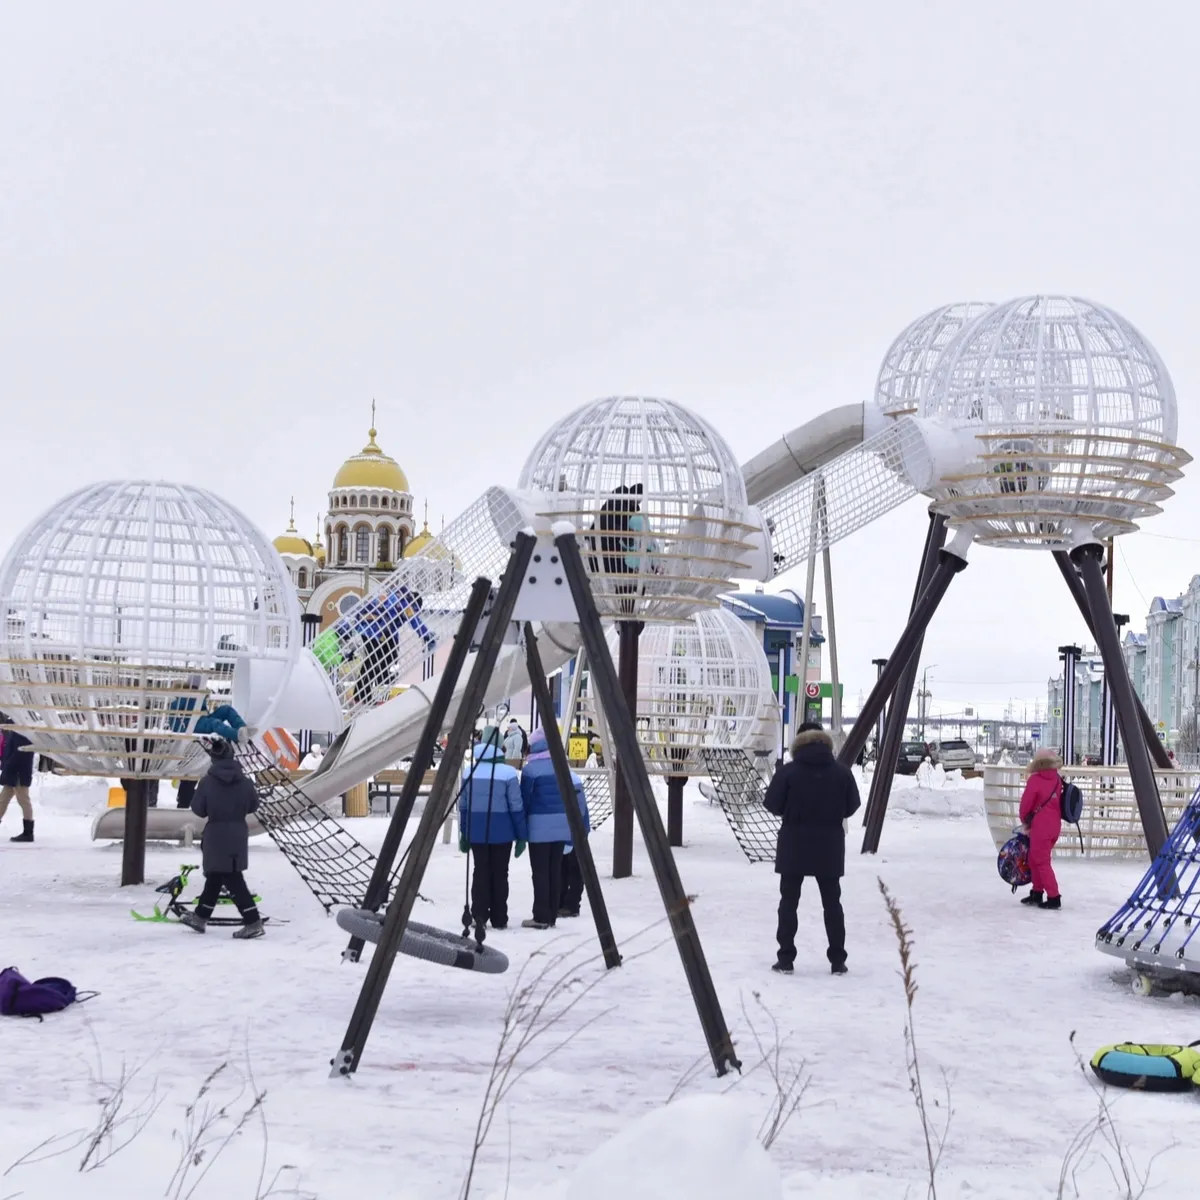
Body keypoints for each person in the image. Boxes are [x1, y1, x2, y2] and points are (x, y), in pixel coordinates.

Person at [764, 722, 860, 975]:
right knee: (832, 903)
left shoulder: (788, 772)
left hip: (793, 844)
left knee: (788, 902)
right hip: (829, 846)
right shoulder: (841, 772)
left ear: (799, 742)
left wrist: (792, 812)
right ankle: (838, 960)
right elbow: (852, 806)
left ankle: (785, 958)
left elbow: (771, 803)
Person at [179, 737, 265, 939]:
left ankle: (253, 922)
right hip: (238, 831)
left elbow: (198, 809)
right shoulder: (245, 781)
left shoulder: (208, 782)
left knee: (232, 879)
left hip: (216, 833)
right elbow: (254, 805)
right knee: (217, 876)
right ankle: (200, 917)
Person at [458, 729, 526, 932]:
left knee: (480, 871)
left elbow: (464, 805)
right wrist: (521, 835)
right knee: (500, 873)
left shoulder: (469, 771)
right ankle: (499, 916)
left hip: (477, 832)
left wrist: (464, 833)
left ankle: (479, 914)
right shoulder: (508, 773)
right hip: (503, 833)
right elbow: (516, 806)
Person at [520, 728, 586, 929]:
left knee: (540, 872)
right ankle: (552, 913)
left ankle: (540, 915)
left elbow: (525, 799)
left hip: (538, 829)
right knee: (555, 869)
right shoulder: (562, 768)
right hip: (561, 826)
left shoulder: (531, 770)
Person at [1018, 748, 1064, 910]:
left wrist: (1025, 820)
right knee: (1034, 858)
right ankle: (1037, 892)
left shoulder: (1035, 780)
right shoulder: (1057, 779)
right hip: (1054, 826)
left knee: (1042, 862)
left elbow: (1026, 805)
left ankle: (1054, 897)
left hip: (1040, 827)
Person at [0, 714, 35, 843]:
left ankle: (28, 832)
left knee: (24, 801)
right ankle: (28, 832)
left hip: (19, 773)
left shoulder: (22, 733)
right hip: (13, 773)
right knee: (2, 800)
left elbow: (19, 753)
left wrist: (8, 767)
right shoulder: (16, 733)